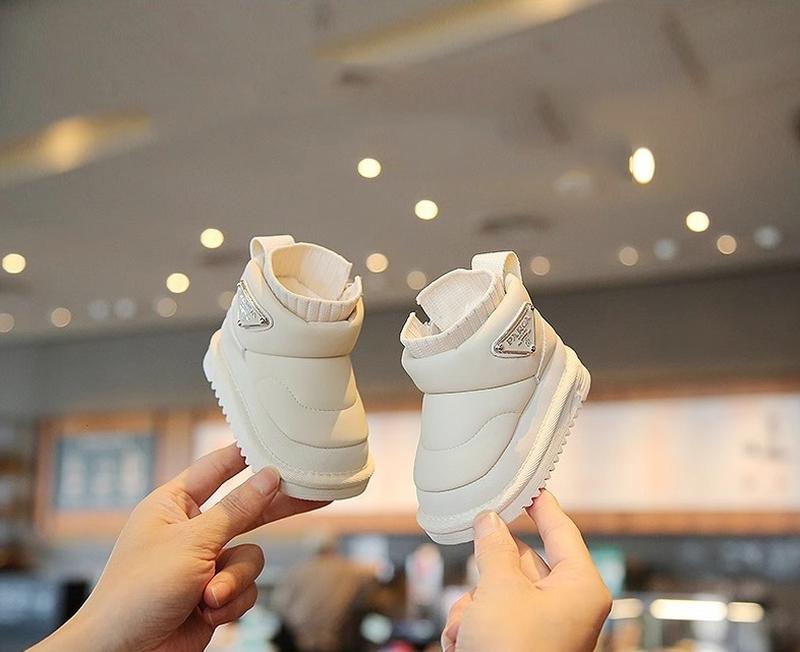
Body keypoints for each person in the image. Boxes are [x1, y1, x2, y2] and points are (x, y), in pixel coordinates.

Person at [30, 444, 610, 652]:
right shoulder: (356, 574)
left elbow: (278, 610)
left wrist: (98, 637)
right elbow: (378, 612)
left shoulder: (313, 572)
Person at [272, 535, 376, 651]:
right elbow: (363, 596)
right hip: (334, 638)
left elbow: (281, 603)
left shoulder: (300, 570)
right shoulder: (349, 571)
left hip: (300, 636)